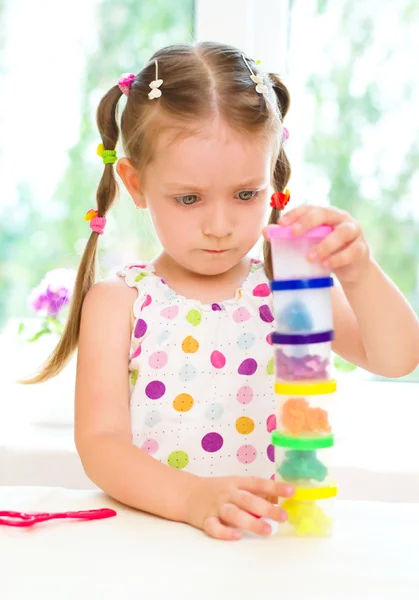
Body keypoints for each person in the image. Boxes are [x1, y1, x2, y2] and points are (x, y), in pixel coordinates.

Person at [30, 42, 419, 541]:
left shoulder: (287, 293)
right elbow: (101, 446)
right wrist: (192, 498)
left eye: (245, 194)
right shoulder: (119, 302)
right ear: (135, 183)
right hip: (155, 545)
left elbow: (397, 359)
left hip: (261, 545)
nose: (220, 226)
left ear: (272, 174)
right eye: (189, 198)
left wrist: (359, 272)